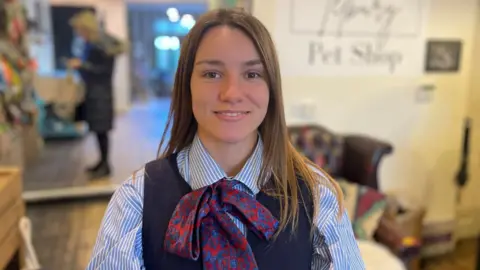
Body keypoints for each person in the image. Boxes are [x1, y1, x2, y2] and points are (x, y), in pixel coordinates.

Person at [86, 8, 365, 269]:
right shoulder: (136, 200)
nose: (231, 92)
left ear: (272, 89)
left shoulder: (318, 198)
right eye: (212, 73)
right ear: (187, 85)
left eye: (252, 74)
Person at [67, 10, 126, 179]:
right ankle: (102, 162)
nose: (78, 33)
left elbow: (102, 71)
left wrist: (81, 66)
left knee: (101, 130)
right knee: (98, 130)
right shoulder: (94, 44)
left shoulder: (99, 46)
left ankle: (105, 165)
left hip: (100, 94)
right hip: (96, 93)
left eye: (79, 29)